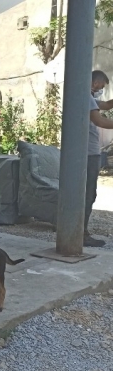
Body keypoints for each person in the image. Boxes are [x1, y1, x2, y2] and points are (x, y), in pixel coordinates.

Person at [85, 70, 113, 247]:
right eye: (101, 86)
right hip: (88, 154)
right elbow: (100, 121)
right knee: (88, 194)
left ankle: (81, 231)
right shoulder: (86, 97)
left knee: (89, 194)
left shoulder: (88, 98)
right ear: (95, 83)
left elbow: (107, 105)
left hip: (91, 152)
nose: (101, 90)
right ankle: (80, 233)